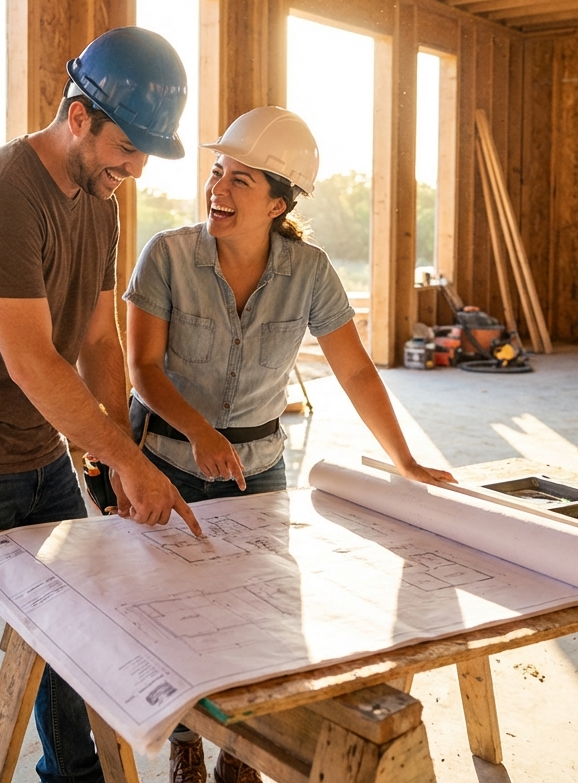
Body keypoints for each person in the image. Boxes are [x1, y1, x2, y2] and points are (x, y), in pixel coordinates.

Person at [0, 26, 203, 783]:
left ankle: (75, 775)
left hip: (36, 449)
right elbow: (31, 360)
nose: (134, 168)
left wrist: (117, 450)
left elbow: (97, 339)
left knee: (71, 634)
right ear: (79, 115)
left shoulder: (101, 198)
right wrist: (125, 461)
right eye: (128, 147)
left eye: (147, 155)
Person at [124, 106, 456, 783]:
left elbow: (357, 369)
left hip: (260, 473)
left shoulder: (309, 270)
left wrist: (405, 459)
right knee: (179, 618)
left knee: (257, 618)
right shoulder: (167, 254)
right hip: (168, 462)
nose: (217, 187)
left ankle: (240, 754)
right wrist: (200, 431)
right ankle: (187, 742)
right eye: (217, 172)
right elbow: (143, 370)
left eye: (240, 180)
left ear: (279, 202)